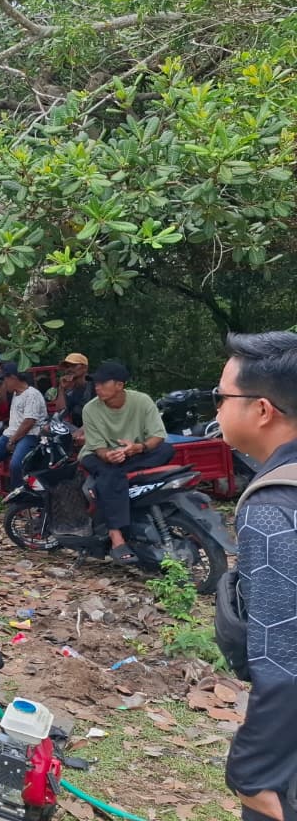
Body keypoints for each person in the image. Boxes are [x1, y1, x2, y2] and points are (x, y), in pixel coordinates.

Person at [213, 332, 297, 821]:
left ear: (262, 409)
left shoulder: (273, 506)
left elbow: (284, 659)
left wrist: (252, 773)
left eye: (222, 397)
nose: (218, 409)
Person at [78, 360, 173, 565]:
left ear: (119, 385)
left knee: (165, 450)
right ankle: (116, 537)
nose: (97, 387)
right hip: (100, 455)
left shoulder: (142, 401)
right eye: (96, 383)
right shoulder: (90, 409)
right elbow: (97, 447)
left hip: (134, 452)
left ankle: (118, 477)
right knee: (108, 470)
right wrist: (108, 456)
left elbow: (158, 436)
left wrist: (137, 448)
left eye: (103, 383)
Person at [0, 364, 48, 511]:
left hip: (30, 435)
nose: (3, 385)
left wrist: (13, 439)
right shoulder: (15, 393)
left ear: (12, 378)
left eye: (4, 381)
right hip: (11, 433)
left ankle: (19, 502)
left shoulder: (32, 394)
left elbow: (29, 422)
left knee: (16, 465)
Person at [57, 353, 94, 437]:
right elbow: (61, 412)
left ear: (85, 368)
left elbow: (101, 414)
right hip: (77, 429)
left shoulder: (95, 385)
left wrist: (82, 430)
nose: (69, 369)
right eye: (67, 367)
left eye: (73, 366)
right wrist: (61, 389)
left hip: (95, 427)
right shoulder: (70, 390)